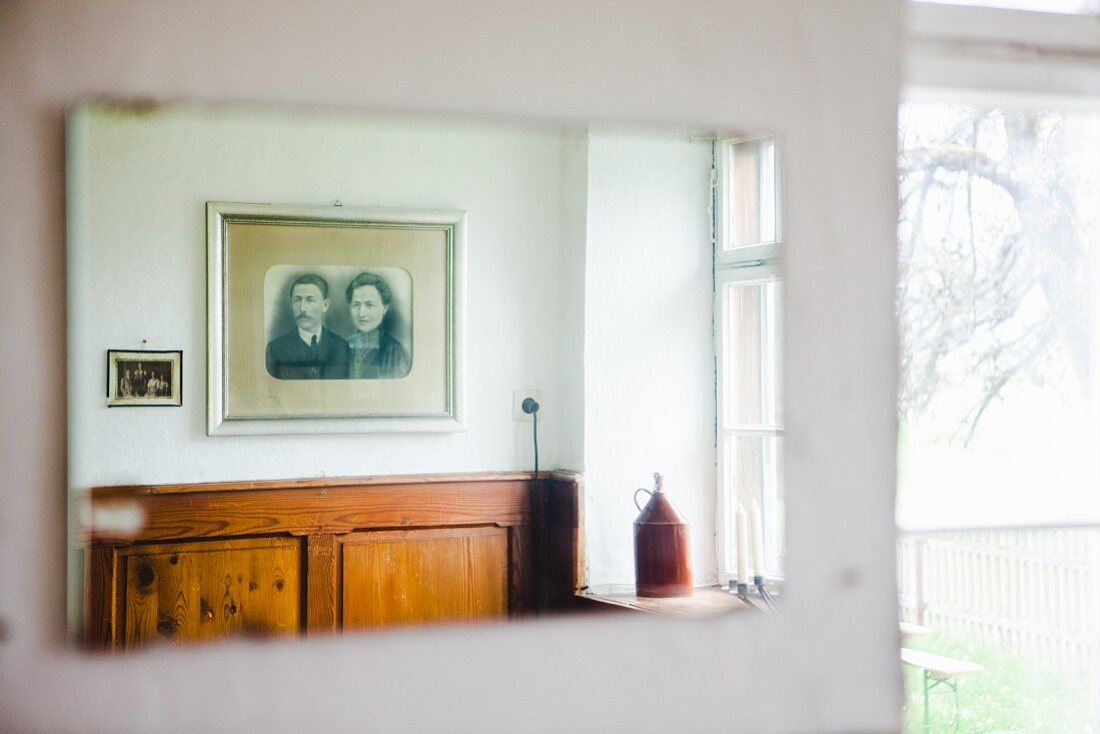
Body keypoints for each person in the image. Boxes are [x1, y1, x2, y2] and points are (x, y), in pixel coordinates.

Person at [265, 274, 349, 379]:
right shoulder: (275, 349)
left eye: (310, 300)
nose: (302, 308)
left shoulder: (342, 347)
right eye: (297, 300)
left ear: (325, 305)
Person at [344, 271, 411, 379]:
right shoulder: (343, 347)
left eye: (369, 304)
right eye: (356, 304)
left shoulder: (395, 352)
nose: (361, 313)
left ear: (385, 308)